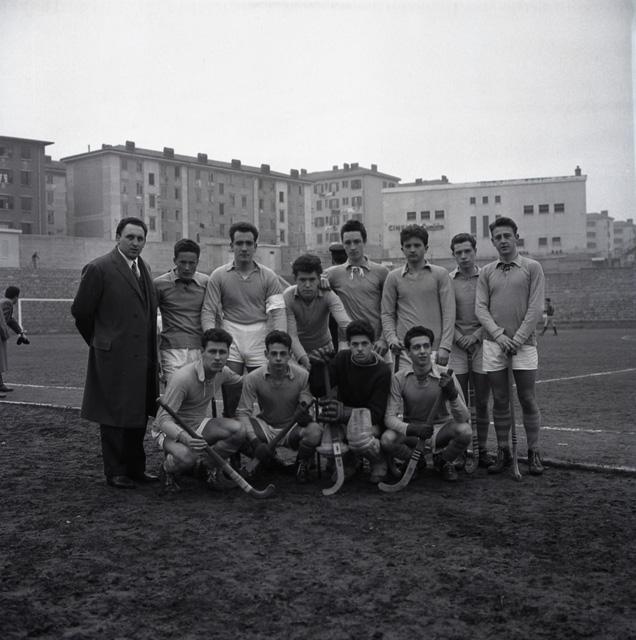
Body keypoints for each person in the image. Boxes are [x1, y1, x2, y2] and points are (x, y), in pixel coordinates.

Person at [71, 217, 160, 489]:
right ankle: (115, 470)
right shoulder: (99, 268)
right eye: (130, 237)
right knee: (113, 415)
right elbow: (81, 312)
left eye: (140, 238)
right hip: (114, 358)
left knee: (138, 412)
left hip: (142, 357)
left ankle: (135, 468)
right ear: (117, 237)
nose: (135, 243)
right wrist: (101, 343)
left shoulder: (144, 268)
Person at [475, 216, 546, 475]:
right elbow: (480, 308)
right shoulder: (486, 272)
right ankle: (503, 451)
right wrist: (499, 336)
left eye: (507, 236)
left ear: (516, 237)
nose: (503, 241)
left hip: (524, 345)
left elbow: (536, 307)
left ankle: (534, 452)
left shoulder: (532, 267)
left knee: (527, 398)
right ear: (492, 241)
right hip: (495, 345)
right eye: (498, 237)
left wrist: (517, 339)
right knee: (500, 399)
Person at [201, 222, 286, 414]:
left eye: (249, 243)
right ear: (231, 246)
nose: (244, 248)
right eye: (239, 243)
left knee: (266, 390)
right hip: (231, 334)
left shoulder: (269, 276)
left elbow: (278, 312)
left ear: (256, 246)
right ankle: (231, 426)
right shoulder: (218, 275)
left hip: (259, 335)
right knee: (232, 392)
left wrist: (280, 341)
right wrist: (211, 338)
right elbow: (208, 310)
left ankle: (267, 427)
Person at [152, 328, 246, 493]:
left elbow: (245, 381)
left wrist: (272, 372)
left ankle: (206, 468)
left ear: (228, 354)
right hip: (168, 431)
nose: (217, 357)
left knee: (238, 430)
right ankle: (166, 469)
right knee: (188, 457)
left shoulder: (223, 372)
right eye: (212, 351)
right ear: (202, 352)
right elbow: (162, 420)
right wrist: (187, 439)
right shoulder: (182, 378)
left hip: (198, 424)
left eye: (222, 352)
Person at [382, 326, 471, 482]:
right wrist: (411, 428)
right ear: (408, 352)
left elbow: (463, 418)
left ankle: (443, 461)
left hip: (440, 430)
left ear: (431, 349)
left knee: (465, 431)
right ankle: (415, 460)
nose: (422, 351)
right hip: (413, 431)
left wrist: (452, 394)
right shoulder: (399, 378)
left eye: (426, 346)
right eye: (416, 347)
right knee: (387, 440)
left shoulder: (446, 374)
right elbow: (389, 417)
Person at [236, 330, 321, 484]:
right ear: (266, 354)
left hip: (292, 428)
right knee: (237, 430)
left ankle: (302, 461)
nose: (278, 358)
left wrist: (306, 416)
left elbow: (307, 406)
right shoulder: (252, 378)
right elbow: (242, 413)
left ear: (290, 355)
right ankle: (267, 461)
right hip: (265, 427)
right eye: (274, 353)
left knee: (315, 431)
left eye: (283, 354)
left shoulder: (303, 376)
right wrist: (255, 442)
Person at [319, 319, 392, 483]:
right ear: (348, 345)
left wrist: (344, 412)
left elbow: (376, 414)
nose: (359, 348)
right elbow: (320, 389)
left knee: (358, 435)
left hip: (372, 425)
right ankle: (349, 461)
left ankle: (378, 459)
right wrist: (318, 366)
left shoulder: (382, 371)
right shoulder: (341, 359)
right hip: (344, 421)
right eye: (355, 344)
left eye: (364, 344)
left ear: (372, 345)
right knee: (327, 442)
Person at [448, 233, 494, 468]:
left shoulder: (487, 277)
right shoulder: (447, 280)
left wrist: (476, 336)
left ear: (475, 252)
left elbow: (493, 312)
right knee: (459, 403)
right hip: (456, 346)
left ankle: (482, 448)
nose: (463, 256)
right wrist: (459, 338)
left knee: (482, 401)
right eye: (458, 253)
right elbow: (445, 315)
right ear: (453, 255)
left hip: (482, 344)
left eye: (467, 251)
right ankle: (461, 449)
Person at [381, 224, 455, 367]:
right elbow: (387, 314)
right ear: (402, 249)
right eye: (408, 246)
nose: (412, 250)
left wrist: (445, 346)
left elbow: (449, 313)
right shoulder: (393, 277)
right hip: (405, 351)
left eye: (417, 245)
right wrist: (392, 340)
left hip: (434, 350)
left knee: (437, 382)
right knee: (405, 382)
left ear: (426, 248)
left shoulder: (441, 274)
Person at [283, 253, 351, 396]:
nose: (307, 285)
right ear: (295, 279)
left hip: (324, 350)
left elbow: (345, 323)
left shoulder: (328, 294)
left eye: (312, 279)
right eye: (302, 280)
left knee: (330, 395)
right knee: (298, 394)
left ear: (319, 279)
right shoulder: (288, 297)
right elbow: (292, 335)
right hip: (297, 354)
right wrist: (305, 360)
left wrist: (360, 338)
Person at [324, 220, 389, 357]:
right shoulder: (333, 273)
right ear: (343, 244)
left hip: (376, 342)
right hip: (347, 342)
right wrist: (322, 283)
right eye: (347, 243)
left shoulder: (381, 272)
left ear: (364, 242)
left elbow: (390, 308)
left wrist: (384, 338)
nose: (352, 247)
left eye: (357, 241)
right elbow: (309, 284)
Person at [154, 239, 210, 382]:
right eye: (182, 262)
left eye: (191, 263)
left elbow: (213, 314)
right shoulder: (159, 284)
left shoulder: (205, 282)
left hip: (199, 348)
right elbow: (149, 318)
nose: (186, 268)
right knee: (174, 391)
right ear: (174, 261)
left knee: (198, 391)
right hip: (171, 349)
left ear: (197, 262)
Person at [0, 286, 30, 394]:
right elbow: (2, 321)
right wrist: (5, 334)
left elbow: (9, 320)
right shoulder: (7, 303)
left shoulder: (3, 301)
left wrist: (20, 332)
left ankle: (0, 384)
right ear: (16, 296)